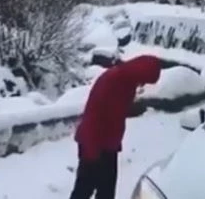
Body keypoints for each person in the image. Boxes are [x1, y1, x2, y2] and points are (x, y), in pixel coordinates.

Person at [69, 55, 162, 199]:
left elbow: (115, 115)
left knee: (106, 191)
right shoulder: (113, 82)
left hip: (108, 145)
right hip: (93, 144)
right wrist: (92, 152)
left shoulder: (127, 82)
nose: (142, 85)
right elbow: (94, 116)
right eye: (144, 80)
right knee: (84, 190)